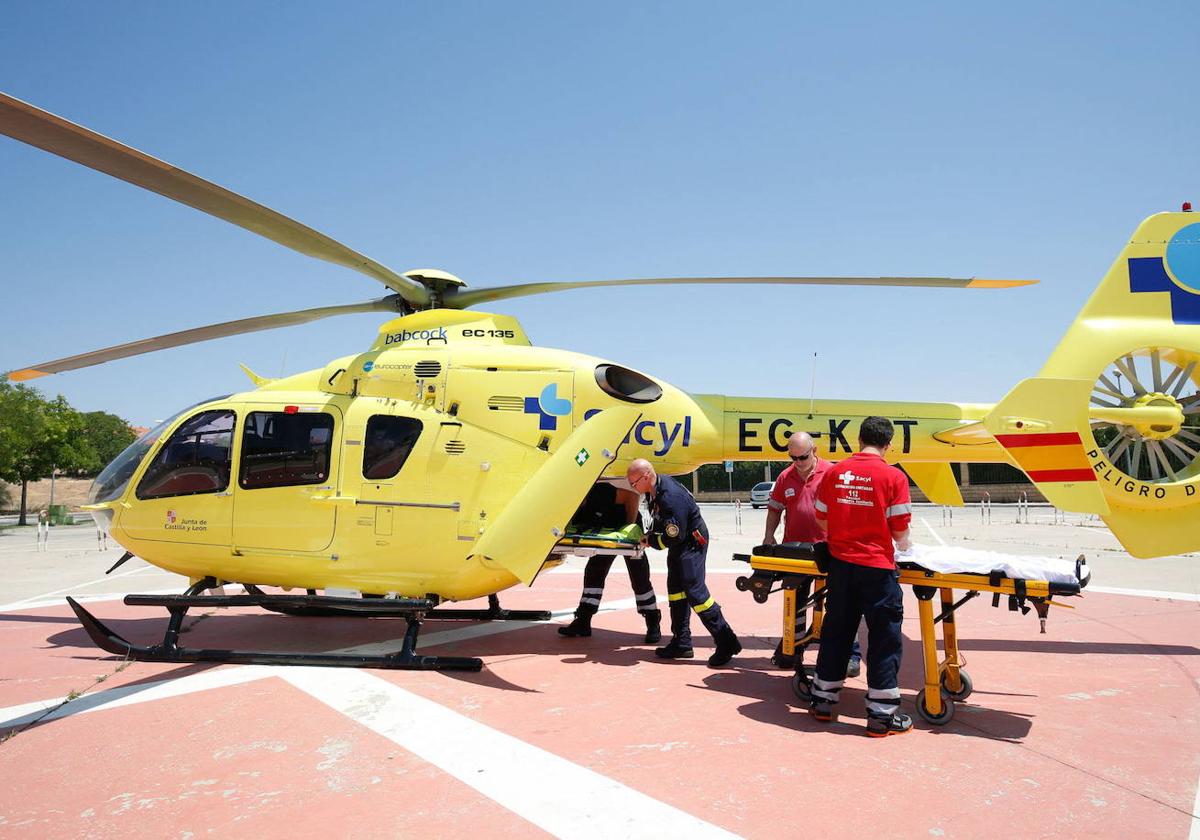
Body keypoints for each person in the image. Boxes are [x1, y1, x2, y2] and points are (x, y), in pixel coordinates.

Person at [809, 417, 914, 737]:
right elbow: (900, 530)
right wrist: (905, 545)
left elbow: (821, 517)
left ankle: (823, 700)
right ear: (888, 443)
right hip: (877, 569)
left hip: (840, 566)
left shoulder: (834, 472)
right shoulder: (893, 476)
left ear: (858, 439)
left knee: (836, 631)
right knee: (883, 638)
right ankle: (881, 716)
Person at [626, 458, 741, 668]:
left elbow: (674, 536)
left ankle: (726, 641)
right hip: (680, 544)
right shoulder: (655, 490)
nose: (632, 488)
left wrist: (650, 541)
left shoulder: (669, 496)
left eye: (633, 483)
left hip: (690, 544)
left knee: (696, 593)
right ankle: (682, 642)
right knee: (676, 591)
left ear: (646, 477)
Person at [762, 432, 861, 676]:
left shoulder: (831, 473)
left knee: (842, 603)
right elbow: (775, 509)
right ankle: (791, 648)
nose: (798, 462)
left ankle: (851, 654)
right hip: (797, 550)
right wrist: (768, 536)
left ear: (814, 450)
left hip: (830, 548)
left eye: (803, 457)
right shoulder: (785, 477)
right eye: (793, 457)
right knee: (794, 602)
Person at [558, 482, 662, 642]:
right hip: (605, 532)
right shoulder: (571, 505)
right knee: (594, 572)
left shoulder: (598, 492)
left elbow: (632, 496)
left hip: (627, 524)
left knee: (639, 576)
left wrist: (628, 531)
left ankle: (652, 621)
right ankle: (583, 620)